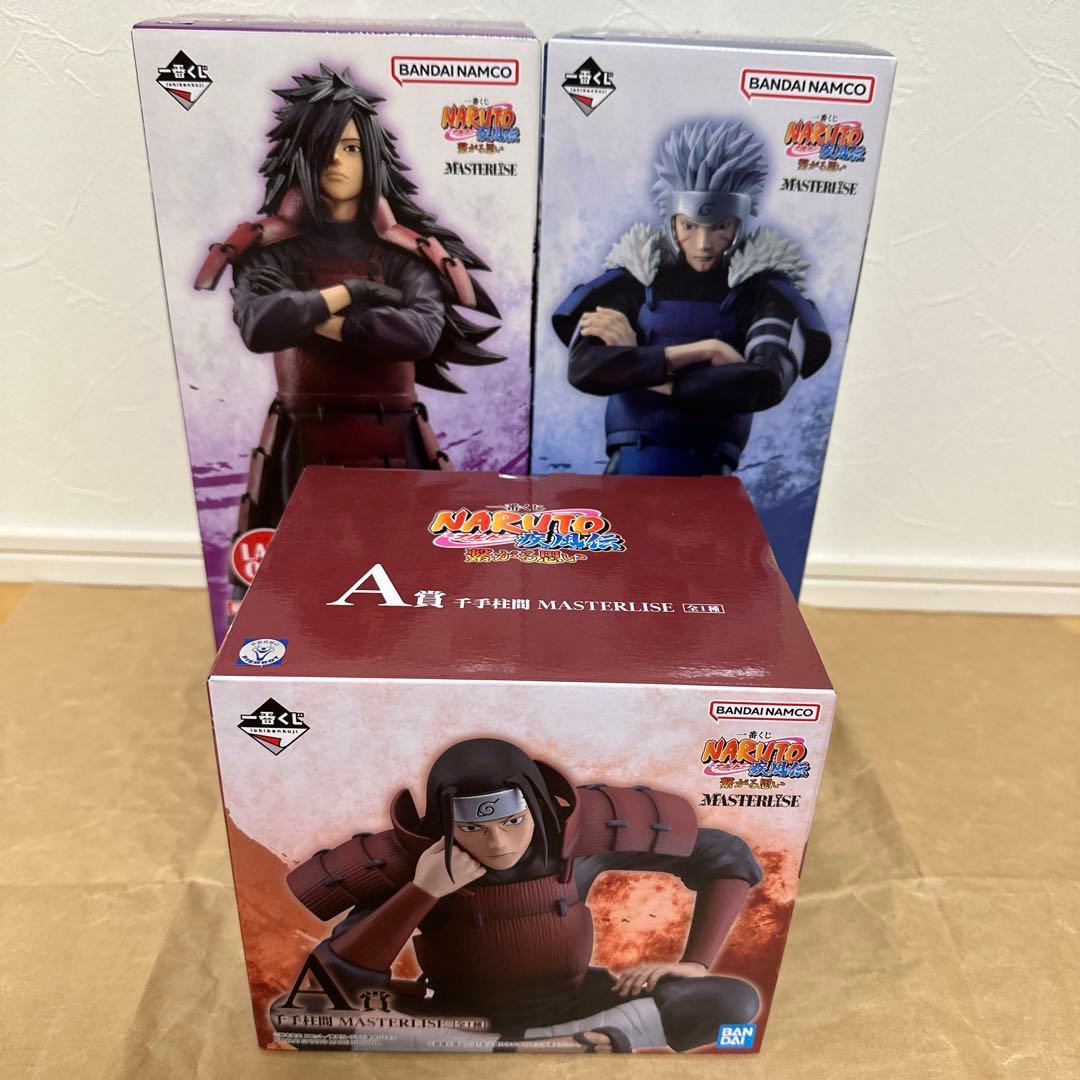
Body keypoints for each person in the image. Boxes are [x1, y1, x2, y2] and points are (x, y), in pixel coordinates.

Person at [194, 65, 501, 600]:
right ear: (301, 155)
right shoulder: (269, 249)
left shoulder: (407, 254)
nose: (337, 160)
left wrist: (318, 319)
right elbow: (260, 324)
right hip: (300, 442)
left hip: (395, 440)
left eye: (352, 148)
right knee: (293, 593)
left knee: (414, 586)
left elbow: (419, 333)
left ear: (371, 157)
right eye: (325, 147)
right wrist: (351, 292)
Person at [278, 738, 762, 1053]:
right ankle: (585, 1043)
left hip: (576, 1005)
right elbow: (331, 984)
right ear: (447, 825)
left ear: (537, 808)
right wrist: (423, 891)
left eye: (513, 821)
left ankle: (552, 1041)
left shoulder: (575, 846)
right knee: (303, 1024)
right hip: (457, 1019)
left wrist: (696, 963)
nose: (498, 843)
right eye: (474, 828)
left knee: (734, 1001)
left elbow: (726, 855)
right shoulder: (420, 866)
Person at [552, 119, 831, 477]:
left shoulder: (764, 292)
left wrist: (638, 366)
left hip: (710, 470)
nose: (703, 244)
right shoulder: (634, 280)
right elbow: (585, 368)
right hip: (629, 465)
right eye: (689, 226)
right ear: (672, 221)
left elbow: (765, 382)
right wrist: (707, 352)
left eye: (720, 227)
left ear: (739, 222)